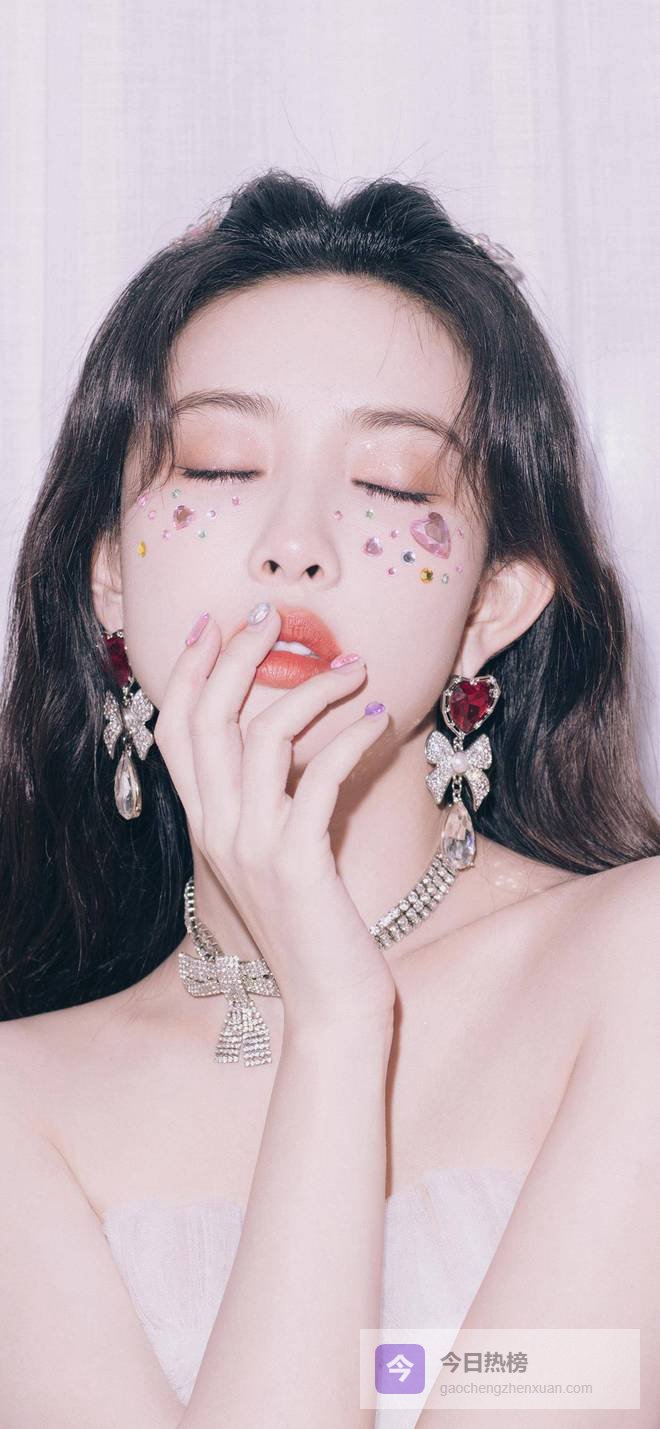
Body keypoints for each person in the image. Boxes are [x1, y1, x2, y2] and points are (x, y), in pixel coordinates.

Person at [0, 170, 658, 1429]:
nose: (295, 541)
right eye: (221, 463)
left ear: (493, 607)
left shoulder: (639, 971)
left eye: (395, 484)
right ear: (109, 583)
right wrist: (335, 1029)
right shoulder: (22, 1108)